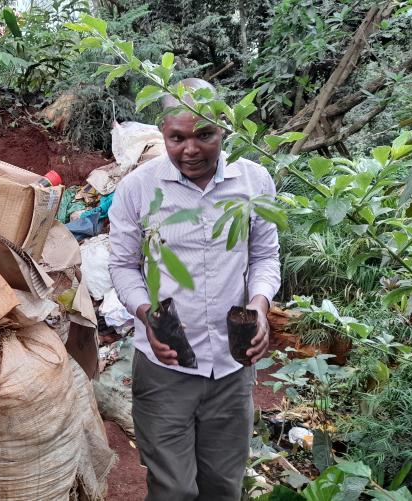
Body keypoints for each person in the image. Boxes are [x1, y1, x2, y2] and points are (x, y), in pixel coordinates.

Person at [108, 78, 280, 500]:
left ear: (223, 127)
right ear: (162, 133)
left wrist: (259, 304)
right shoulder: (139, 189)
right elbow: (123, 265)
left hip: (232, 366)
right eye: (177, 137)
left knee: (223, 486)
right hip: (166, 369)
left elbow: (264, 256)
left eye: (205, 134)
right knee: (174, 490)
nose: (191, 149)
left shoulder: (253, 182)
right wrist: (146, 315)